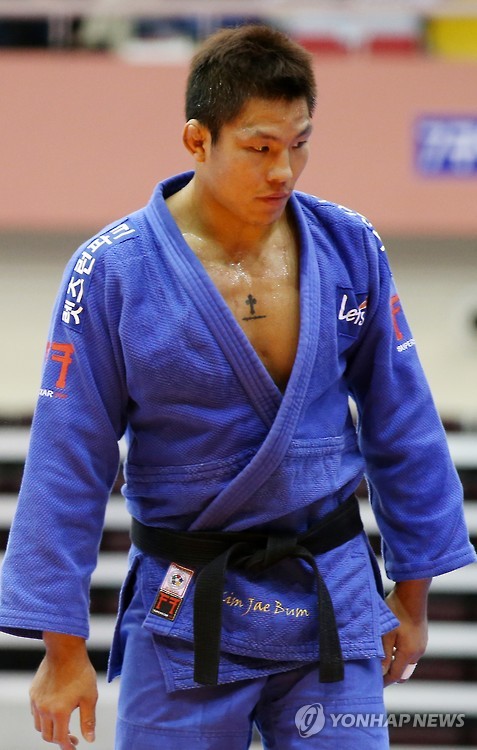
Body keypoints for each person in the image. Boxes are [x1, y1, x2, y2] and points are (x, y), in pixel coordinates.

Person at [0, 24, 475, 750]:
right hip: (186, 597)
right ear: (198, 140)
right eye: (260, 147)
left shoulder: (349, 246)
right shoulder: (113, 271)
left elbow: (402, 422)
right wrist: (61, 650)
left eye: (299, 143)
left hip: (328, 592)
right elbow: (68, 456)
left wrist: (412, 597)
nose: (284, 169)